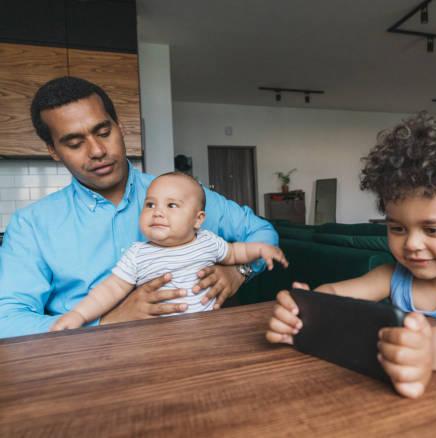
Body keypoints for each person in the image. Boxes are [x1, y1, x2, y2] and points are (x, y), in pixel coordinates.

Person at [266, 113, 436, 398]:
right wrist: (302, 317)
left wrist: (432, 349)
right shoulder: (391, 274)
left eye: (432, 229)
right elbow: (333, 294)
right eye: (397, 227)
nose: (412, 244)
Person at [0, 76, 278, 338]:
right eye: (74, 143)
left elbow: (262, 231)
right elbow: (7, 321)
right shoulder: (31, 224)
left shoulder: (182, 193)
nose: (97, 151)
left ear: (120, 128)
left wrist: (239, 272)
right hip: (91, 360)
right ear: (53, 150)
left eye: (104, 132)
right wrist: (105, 321)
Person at [50, 172, 288, 330]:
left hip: (209, 331)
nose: (158, 212)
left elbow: (237, 252)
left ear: (198, 219)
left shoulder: (207, 242)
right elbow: (108, 290)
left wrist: (262, 250)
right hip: (156, 338)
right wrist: (79, 316)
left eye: (171, 205)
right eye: (150, 204)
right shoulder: (138, 254)